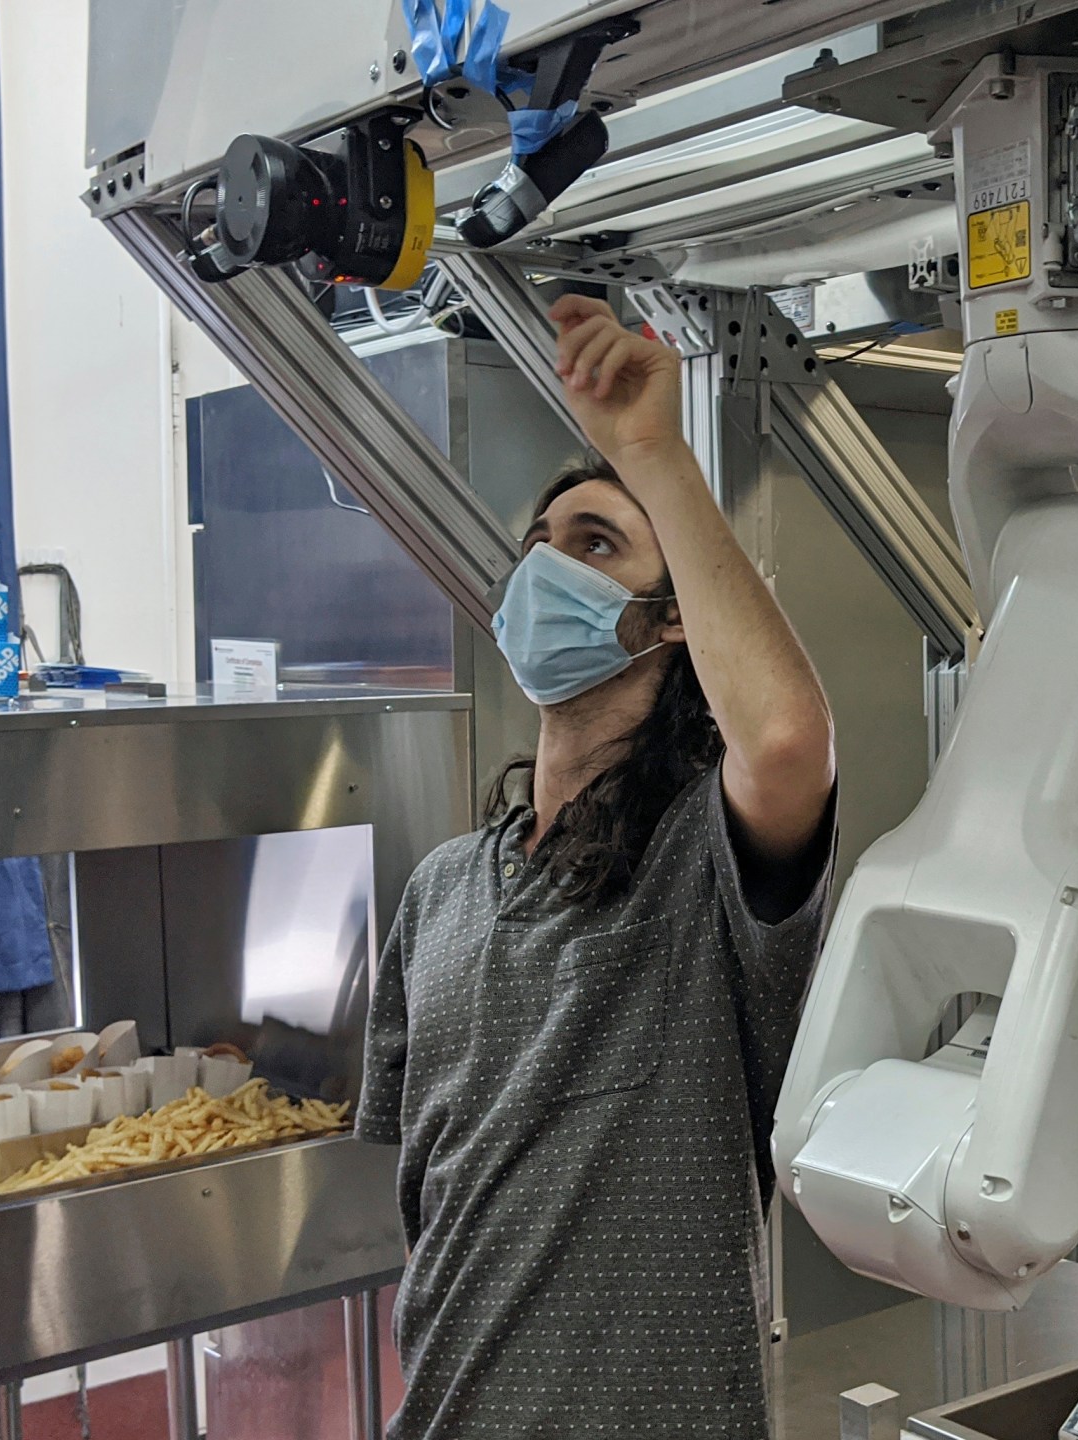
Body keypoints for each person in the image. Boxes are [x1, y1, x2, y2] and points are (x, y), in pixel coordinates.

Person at [358, 294, 839, 1439]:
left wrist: (652, 454)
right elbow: (429, 1211)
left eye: (596, 546)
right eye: (543, 547)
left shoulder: (700, 869)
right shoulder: (441, 890)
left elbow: (780, 739)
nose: (549, 571)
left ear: (672, 621)